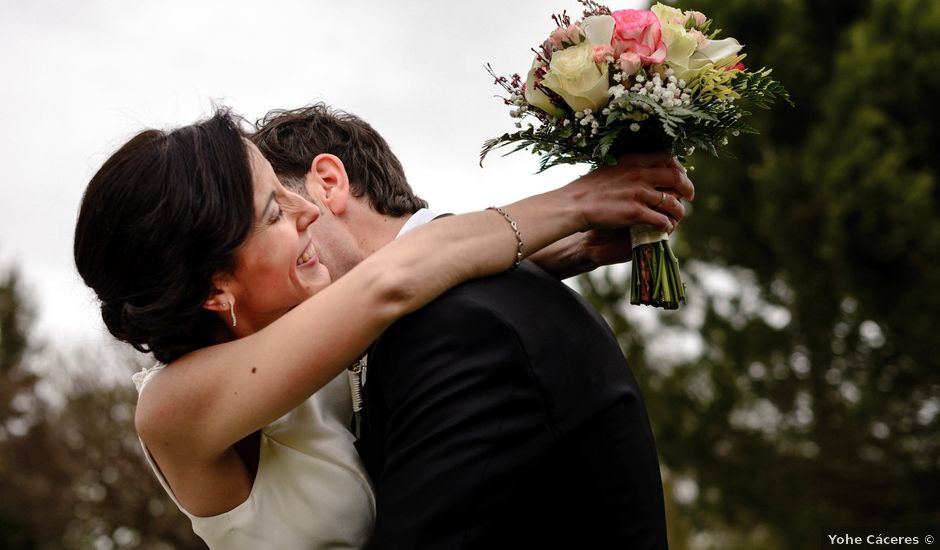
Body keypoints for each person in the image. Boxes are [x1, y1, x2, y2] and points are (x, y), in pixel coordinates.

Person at [73, 108, 691, 549]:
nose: (308, 207)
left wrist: (570, 251)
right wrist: (579, 199)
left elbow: (399, 286)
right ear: (215, 289)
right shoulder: (172, 409)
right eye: (274, 212)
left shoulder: (308, 339)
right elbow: (390, 282)